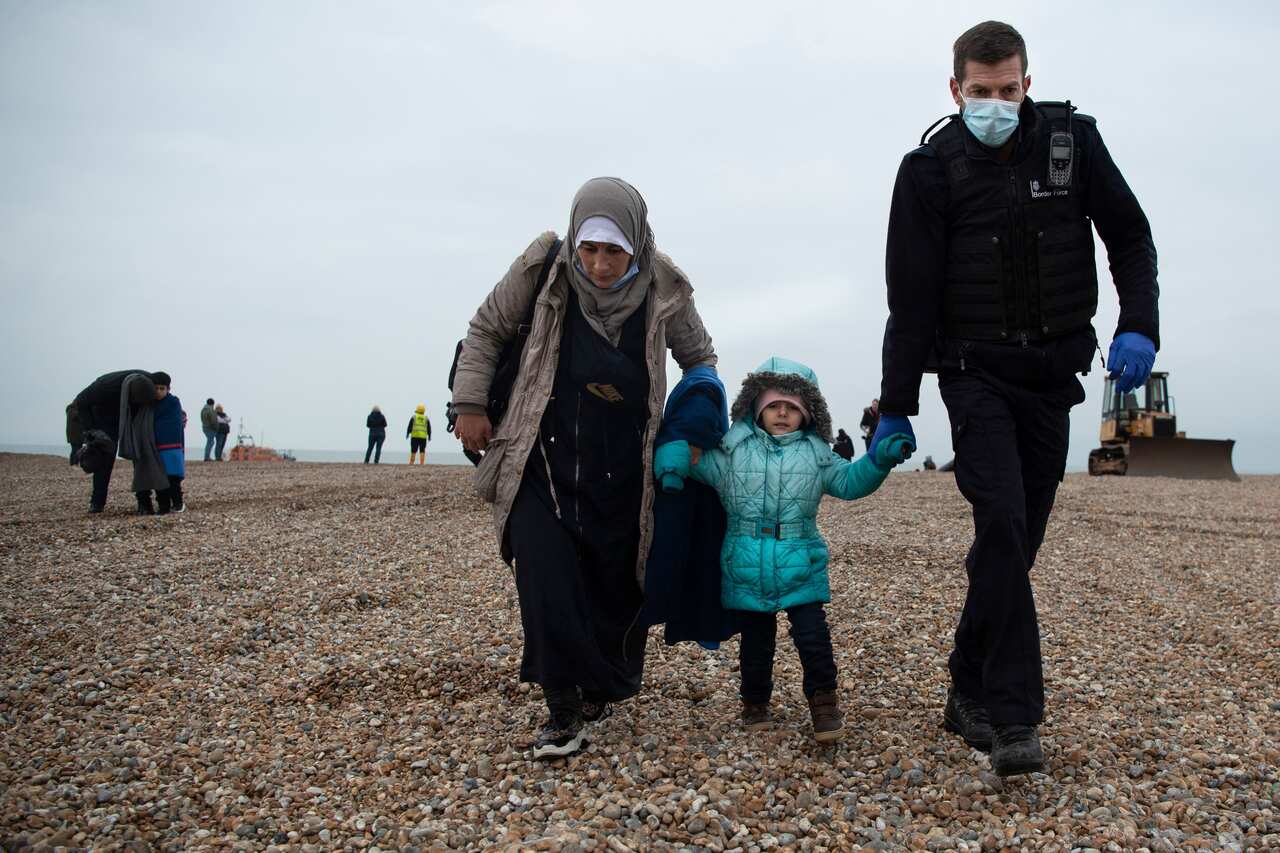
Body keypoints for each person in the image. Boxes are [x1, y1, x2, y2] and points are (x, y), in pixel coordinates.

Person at [875, 21, 1159, 776]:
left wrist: (1139, 325)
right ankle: (1011, 719)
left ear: (1027, 84)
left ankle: (965, 679)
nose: (994, 103)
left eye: (1007, 90)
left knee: (1016, 543)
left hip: (1051, 378)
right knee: (998, 520)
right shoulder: (928, 172)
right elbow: (909, 298)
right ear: (955, 89)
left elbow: (1130, 237)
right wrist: (896, 403)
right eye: (980, 91)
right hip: (975, 376)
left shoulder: (1073, 146)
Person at [451, 176, 717, 759]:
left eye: (613, 251)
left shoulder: (664, 284)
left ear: (636, 246)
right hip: (539, 456)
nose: (598, 264)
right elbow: (487, 330)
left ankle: (602, 683)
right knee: (544, 576)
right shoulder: (543, 266)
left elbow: (700, 361)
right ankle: (561, 706)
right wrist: (469, 404)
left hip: (622, 466)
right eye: (589, 249)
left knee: (613, 579)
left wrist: (695, 431)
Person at [655, 357, 913, 742]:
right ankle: (755, 703)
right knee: (756, 641)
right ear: (755, 408)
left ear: (807, 414)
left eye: (792, 407)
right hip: (745, 560)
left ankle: (824, 702)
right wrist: (673, 455)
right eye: (774, 404)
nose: (781, 412)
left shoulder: (817, 455)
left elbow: (850, 482)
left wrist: (879, 461)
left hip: (801, 558)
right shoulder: (732, 452)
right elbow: (695, 462)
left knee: (812, 636)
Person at [70, 369, 155, 513]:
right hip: (105, 417)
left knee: (141, 456)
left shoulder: (151, 383)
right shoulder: (105, 387)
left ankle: (144, 502)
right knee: (104, 459)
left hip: (136, 418)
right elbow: (82, 401)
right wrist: (92, 430)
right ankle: (97, 502)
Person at [147, 372, 186, 513]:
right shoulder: (150, 404)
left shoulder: (173, 402)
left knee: (173, 479)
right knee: (159, 480)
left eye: (161, 388)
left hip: (172, 448)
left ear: (168, 389)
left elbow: (176, 423)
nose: (158, 392)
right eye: (156, 388)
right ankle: (163, 506)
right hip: (157, 448)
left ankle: (178, 503)